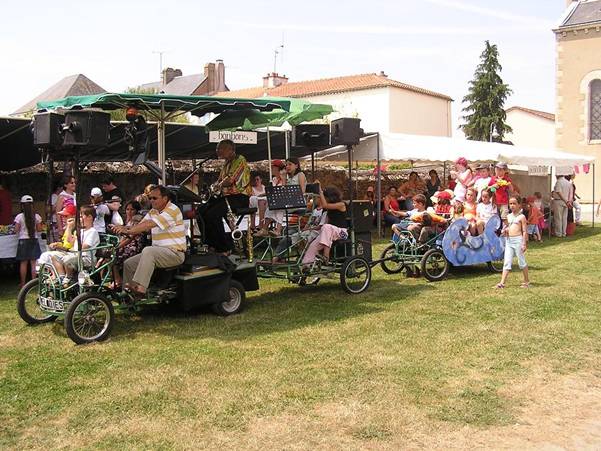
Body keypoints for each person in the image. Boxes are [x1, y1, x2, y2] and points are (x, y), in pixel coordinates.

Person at [112, 185, 186, 297]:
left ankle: (140, 288)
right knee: (129, 264)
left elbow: (149, 225)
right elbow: (140, 225)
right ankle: (127, 296)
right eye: (150, 198)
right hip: (158, 252)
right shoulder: (153, 211)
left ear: (165, 198)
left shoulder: (172, 210)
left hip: (175, 253)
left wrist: (128, 230)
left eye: (154, 198)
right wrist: (123, 229)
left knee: (148, 251)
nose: (151, 201)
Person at [200, 141, 251, 253]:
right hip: (227, 198)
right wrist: (212, 188)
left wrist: (218, 185)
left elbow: (229, 180)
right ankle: (210, 243)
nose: (218, 151)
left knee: (212, 214)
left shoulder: (240, 159)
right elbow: (220, 180)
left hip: (240, 197)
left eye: (220, 149)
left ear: (230, 149)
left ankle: (224, 247)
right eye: (218, 149)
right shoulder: (226, 163)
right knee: (201, 211)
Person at [51, 205, 100, 287]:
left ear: (90, 217)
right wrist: (69, 228)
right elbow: (70, 241)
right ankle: (62, 277)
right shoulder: (81, 230)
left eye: (81, 217)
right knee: (54, 256)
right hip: (76, 255)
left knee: (67, 259)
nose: (79, 219)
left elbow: (85, 246)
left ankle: (69, 278)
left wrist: (73, 249)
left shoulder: (93, 231)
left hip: (86, 259)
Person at [301, 185, 347, 265]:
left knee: (327, 227)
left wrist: (321, 192)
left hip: (342, 233)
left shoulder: (341, 204)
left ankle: (326, 256)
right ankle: (306, 265)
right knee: (312, 246)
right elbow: (325, 222)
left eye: (325, 198)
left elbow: (325, 205)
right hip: (328, 233)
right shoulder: (327, 210)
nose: (323, 200)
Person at [272, 196, 326, 263]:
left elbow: (320, 226)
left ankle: (306, 259)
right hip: (307, 231)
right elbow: (308, 223)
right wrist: (304, 229)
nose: (314, 199)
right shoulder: (315, 210)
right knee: (286, 239)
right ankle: (276, 258)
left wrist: (308, 229)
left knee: (302, 239)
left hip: (315, 233)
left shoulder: (325, 211)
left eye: (317, 197)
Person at [496, 196, 529, 289]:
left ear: (519, 205)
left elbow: (524, 231)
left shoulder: (522, 217)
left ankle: (526, 281)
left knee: (521, 261)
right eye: (510, 204)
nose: (512, 206)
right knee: (507, 261)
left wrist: (524, 243)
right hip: (509, 241)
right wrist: (505, 230)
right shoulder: (509, 216)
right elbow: (507, 227)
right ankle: (502, 282)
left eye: (514, 203)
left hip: (518, 240)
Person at [112, 200, 144, 289]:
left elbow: (130, 238)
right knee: (106, 257)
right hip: (125, 246)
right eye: (127, 209)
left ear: (136, 211)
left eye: (132, 210)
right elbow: (123, 238)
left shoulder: (137, 221)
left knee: (113, 258)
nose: (129, 212)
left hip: (134, 247)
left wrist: (117, 247)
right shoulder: (127, 221)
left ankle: (119, 281)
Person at [14, 195, 43, 287]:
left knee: (23, 263)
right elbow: (39, 230)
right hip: (33, 240)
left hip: (23, 240)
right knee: (33, 263)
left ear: (22, 205)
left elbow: (16, 230)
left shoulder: (19, 216)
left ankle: (23, 283)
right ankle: (33, 283)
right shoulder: (37, 216)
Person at [256, 159, 287, 237]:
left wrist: (283, 179)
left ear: (278, 168)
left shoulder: (286, 178)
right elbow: (273, 191)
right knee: (271, 205)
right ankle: (270, 229)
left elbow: (285, 191)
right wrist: (263, 194)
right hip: (276, 200)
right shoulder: (274, 179)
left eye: (273, 167)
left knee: (277, 206)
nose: (271, 169)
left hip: (284, 201)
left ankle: (269, 229)